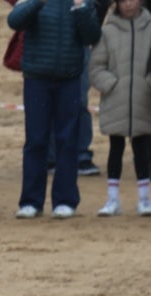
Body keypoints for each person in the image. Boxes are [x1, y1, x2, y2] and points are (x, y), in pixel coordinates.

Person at [8, 0, 102, 219]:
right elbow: (14, 21)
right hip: (36, 78)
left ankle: (65, 200)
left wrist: (81, 7)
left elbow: (92, 36)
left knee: (68, 140)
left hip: (69, 78)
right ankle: (31, 201)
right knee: (35, 140)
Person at [89, 0, 151, 216]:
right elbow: (96, 67)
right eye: (124, 0)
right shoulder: (107, 31)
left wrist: (147, 84)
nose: (129, 4)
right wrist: (111, 85)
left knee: (142, 150)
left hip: (144, 101)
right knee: (115, 150)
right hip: (116, 100)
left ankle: (145, 199)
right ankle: (112, 199)